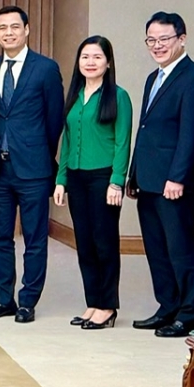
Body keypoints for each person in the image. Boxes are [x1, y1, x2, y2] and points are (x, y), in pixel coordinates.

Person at [127, 12, 194, 338]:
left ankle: (188, 314)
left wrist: (177, 178)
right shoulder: (154, 77)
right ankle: (167, 307)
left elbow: (192, 135)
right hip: (148, 180)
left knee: (181, 248)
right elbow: (146, 130)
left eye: (164, 39)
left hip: (173, 184)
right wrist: (134, 174)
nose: (157, 45)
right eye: (151, 39)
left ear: (182, 38)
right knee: (157, 249)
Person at [0, 6, 63, 324]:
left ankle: (28, 301)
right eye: (2, 28)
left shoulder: (45, 68)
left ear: (27, 30)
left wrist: (40, 153)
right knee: (0, 238)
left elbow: (54, 120)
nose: (9, 33)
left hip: (33, 168)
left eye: (15, 27)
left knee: (34, 238)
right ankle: (4, 299)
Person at [53, 36, 133, 330]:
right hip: (76, 178)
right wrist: (61, 180)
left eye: (97, 57)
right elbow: (67, 140)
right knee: (84, 243)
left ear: (108, 62)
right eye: (85, 57)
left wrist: (117, 182)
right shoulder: (75, 96)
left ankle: (107, 306)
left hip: (103, 178)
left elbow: (123, 142)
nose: (90, 62)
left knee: (104, 242)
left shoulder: (118, 96)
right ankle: (93, 301)